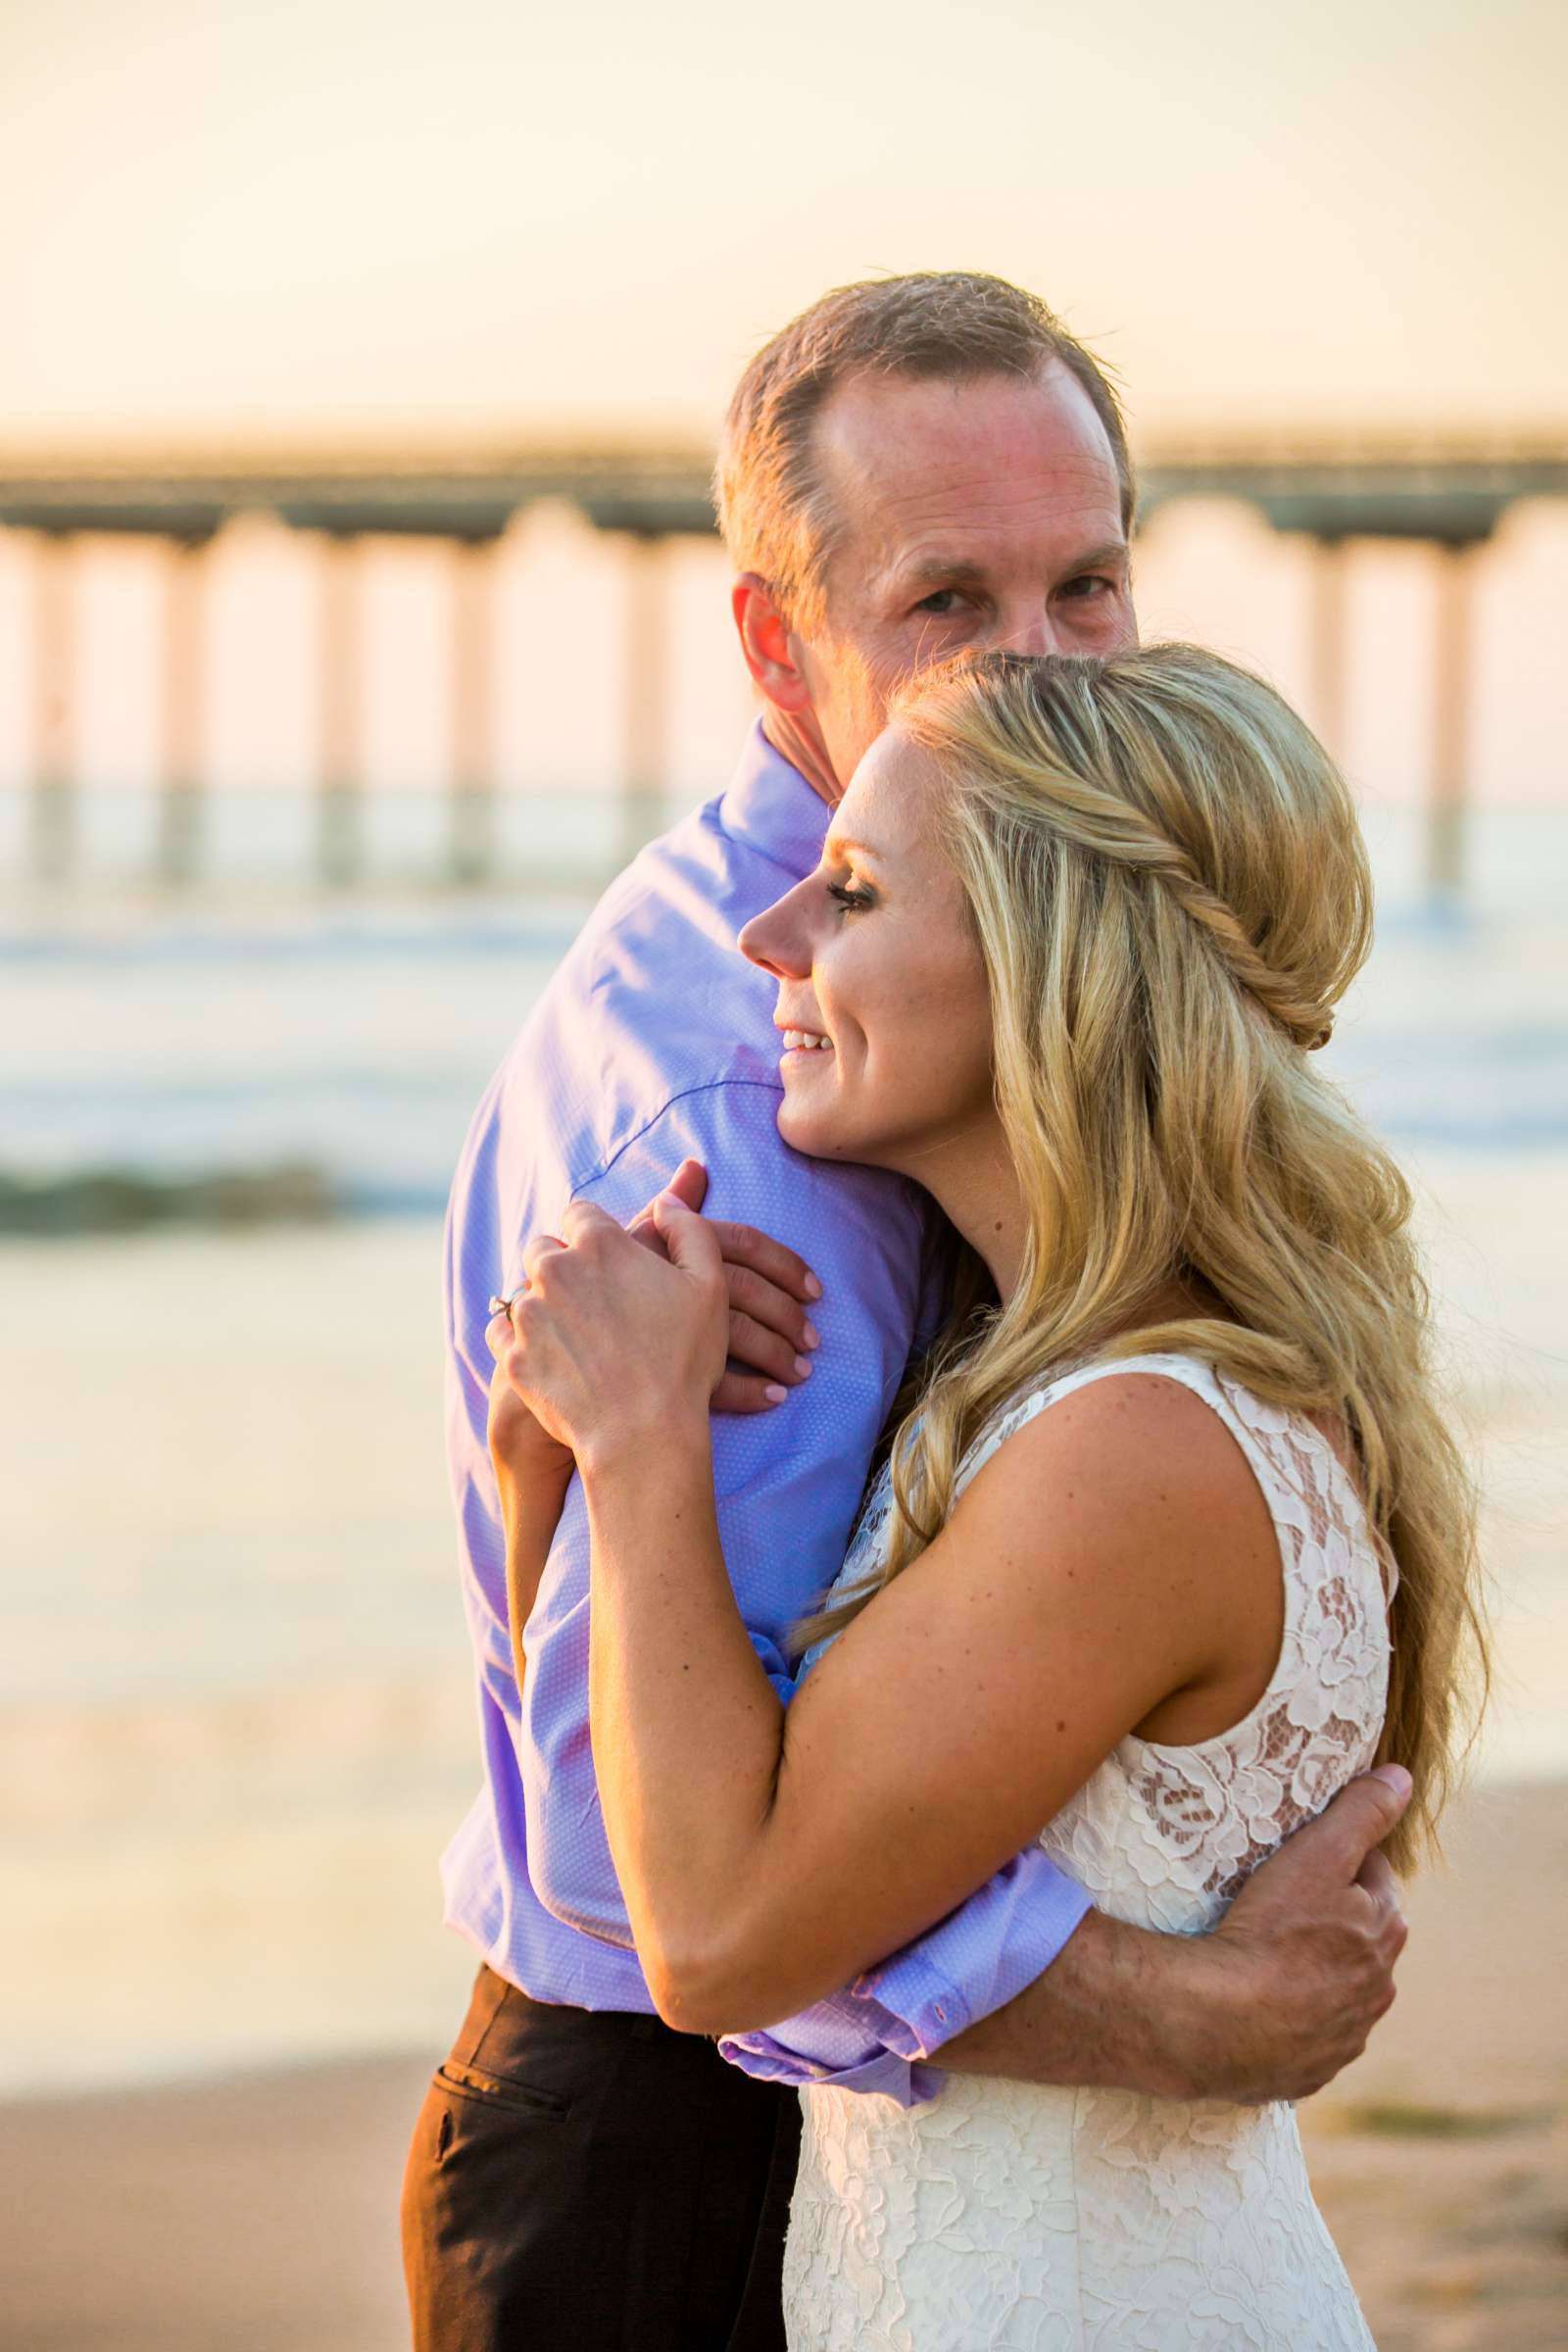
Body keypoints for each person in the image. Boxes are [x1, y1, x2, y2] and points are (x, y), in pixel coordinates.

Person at [401, 274, 1413, 2350]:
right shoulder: (746, 1115)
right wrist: (1178, 2007)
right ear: (783, 643)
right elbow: (647, 1881)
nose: (1037, 668)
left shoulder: (1092, 1169)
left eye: (1088, 588)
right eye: (951, 603)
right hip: (679, 2162)